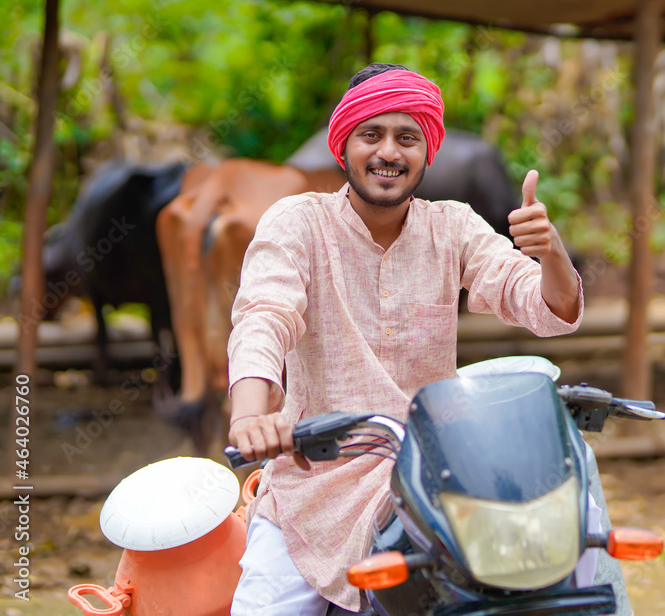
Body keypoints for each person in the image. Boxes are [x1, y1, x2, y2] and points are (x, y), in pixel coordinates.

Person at [226, 62, 586, 615]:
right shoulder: (298, 222)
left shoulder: (454, 226)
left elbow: (543, 305)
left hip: (434, 479)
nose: (389, 152)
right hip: (313, 487)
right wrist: (251, 416)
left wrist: (551, 252)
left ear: (427, 151)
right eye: (371, 134)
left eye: (407, 137)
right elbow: (265, 315)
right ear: (343, 145)